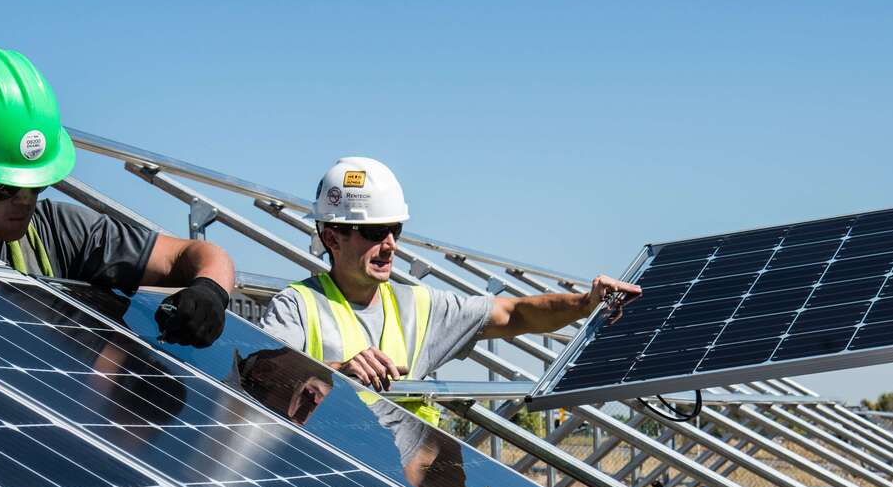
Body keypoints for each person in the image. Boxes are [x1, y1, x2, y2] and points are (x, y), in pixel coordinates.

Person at [256, 156, 642, 423]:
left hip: (404, 486)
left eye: (396, 231)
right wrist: (336, 373)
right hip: (326, 482)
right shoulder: (297, 308)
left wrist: (586, 302)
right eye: (375, 233)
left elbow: (515, 313)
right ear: (331, 237)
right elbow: (261, 385)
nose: (390, 245)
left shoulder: (420, 306)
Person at [0, 45, 234, 347]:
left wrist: (210, 292)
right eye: (5, 187)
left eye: (36, 185)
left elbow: (194, 255)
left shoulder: (59, 232)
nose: (25, 201)